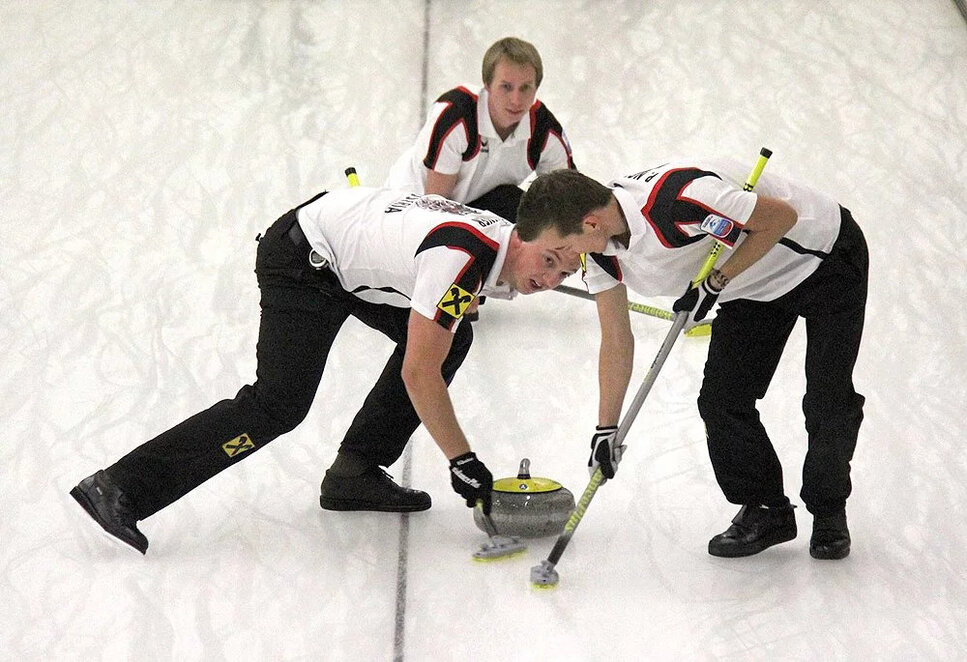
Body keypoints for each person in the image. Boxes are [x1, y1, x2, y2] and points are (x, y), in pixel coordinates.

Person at [70, 186, 579, 555]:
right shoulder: (463, 258)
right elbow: (419, 375)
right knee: (277, 405)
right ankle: (119, 488)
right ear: (521, 236)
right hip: (302, 259)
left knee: (451, 338)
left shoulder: (495, 242)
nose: (552, 279)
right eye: (549, 260)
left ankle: (354, 474)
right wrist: (461, 459)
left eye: (565, 270)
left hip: (340, 250)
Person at [515, 159, 868, 561]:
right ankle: (766, 510)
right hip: (752, 286)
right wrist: (606, 429)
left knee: (827, 398)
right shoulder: (598, 253)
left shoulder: (680, 201)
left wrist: (717, 280)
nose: (565, 259)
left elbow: (780, 218)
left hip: (825, 257)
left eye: (563, 247)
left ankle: (828, 511)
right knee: (721, 400)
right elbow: (616, 338)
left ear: (591, 224)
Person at [385, 36, 576, 319]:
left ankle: (477, 283)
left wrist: (588, 262)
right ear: (487, 85)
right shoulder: (457, 115)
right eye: (506, 87)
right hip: (414, 211)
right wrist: (457, 280)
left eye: (527, 88)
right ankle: (463, 287)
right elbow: (434, 208)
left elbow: (570, 207)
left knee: (521, 207)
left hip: (477, 210)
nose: (516, 100)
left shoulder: (544, 131)